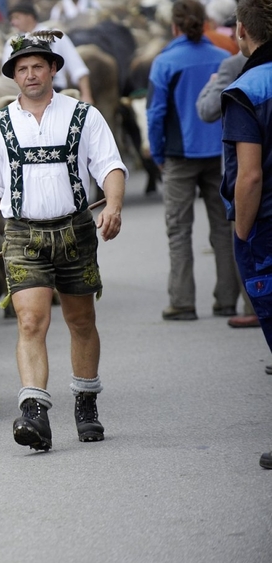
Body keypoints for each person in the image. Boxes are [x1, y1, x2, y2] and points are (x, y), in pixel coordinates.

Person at [0, 32, 126, 452]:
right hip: (22, 234)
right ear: (13, 76)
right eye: (22, 69)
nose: (31, 74)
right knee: (31, 321)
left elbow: (110, 165)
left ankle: (86, 402)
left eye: (38, 66)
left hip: (75, 230)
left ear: (54, 69)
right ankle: (34, 410)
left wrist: (112, 204)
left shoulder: (84, 115)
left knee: (81, 320)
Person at [147, 0, 237, 322]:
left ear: (174, 26)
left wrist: (157, 153)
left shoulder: (165, 62)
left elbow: (156, 113)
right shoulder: (223, 57)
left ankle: (182, 302)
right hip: (221, 154)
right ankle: (227, 300)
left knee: (179, 231)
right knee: (224, 229)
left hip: (179, 155)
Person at [218, 0, 272, 468]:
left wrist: (242, 229)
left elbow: (249, 176)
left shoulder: (245, 90)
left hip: (267, 226)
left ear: (241, 31)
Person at [197, 52, 258, 329]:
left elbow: (207, 109)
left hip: (242, 166)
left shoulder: (232, 65)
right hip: (223, 160)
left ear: (242, 29)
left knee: (243, 235)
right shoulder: (222, 53)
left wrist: (212, 84)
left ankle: (251, 306)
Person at [1, 4, 93, 105]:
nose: (13, 22)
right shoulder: (12, 43)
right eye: (12, 19)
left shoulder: (55, 36)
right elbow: (7, 81)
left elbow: (78, 68)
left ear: (29, 16)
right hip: (27, 98)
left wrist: (86, 95)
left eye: (17, 17)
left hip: (59, 94)